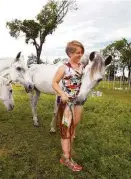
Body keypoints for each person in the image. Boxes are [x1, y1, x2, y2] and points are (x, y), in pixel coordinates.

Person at [52, 40, 85, 172]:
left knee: (74, 126)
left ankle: (69, 151)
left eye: (82, 52)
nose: (81, 54)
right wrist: (62, 93)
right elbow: (54, 82)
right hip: (66, 104)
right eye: (78, 52)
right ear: (70, 53)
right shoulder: (63, 68)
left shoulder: (83, 67)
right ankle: (66, 158)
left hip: (79, 102)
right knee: (66, 130)